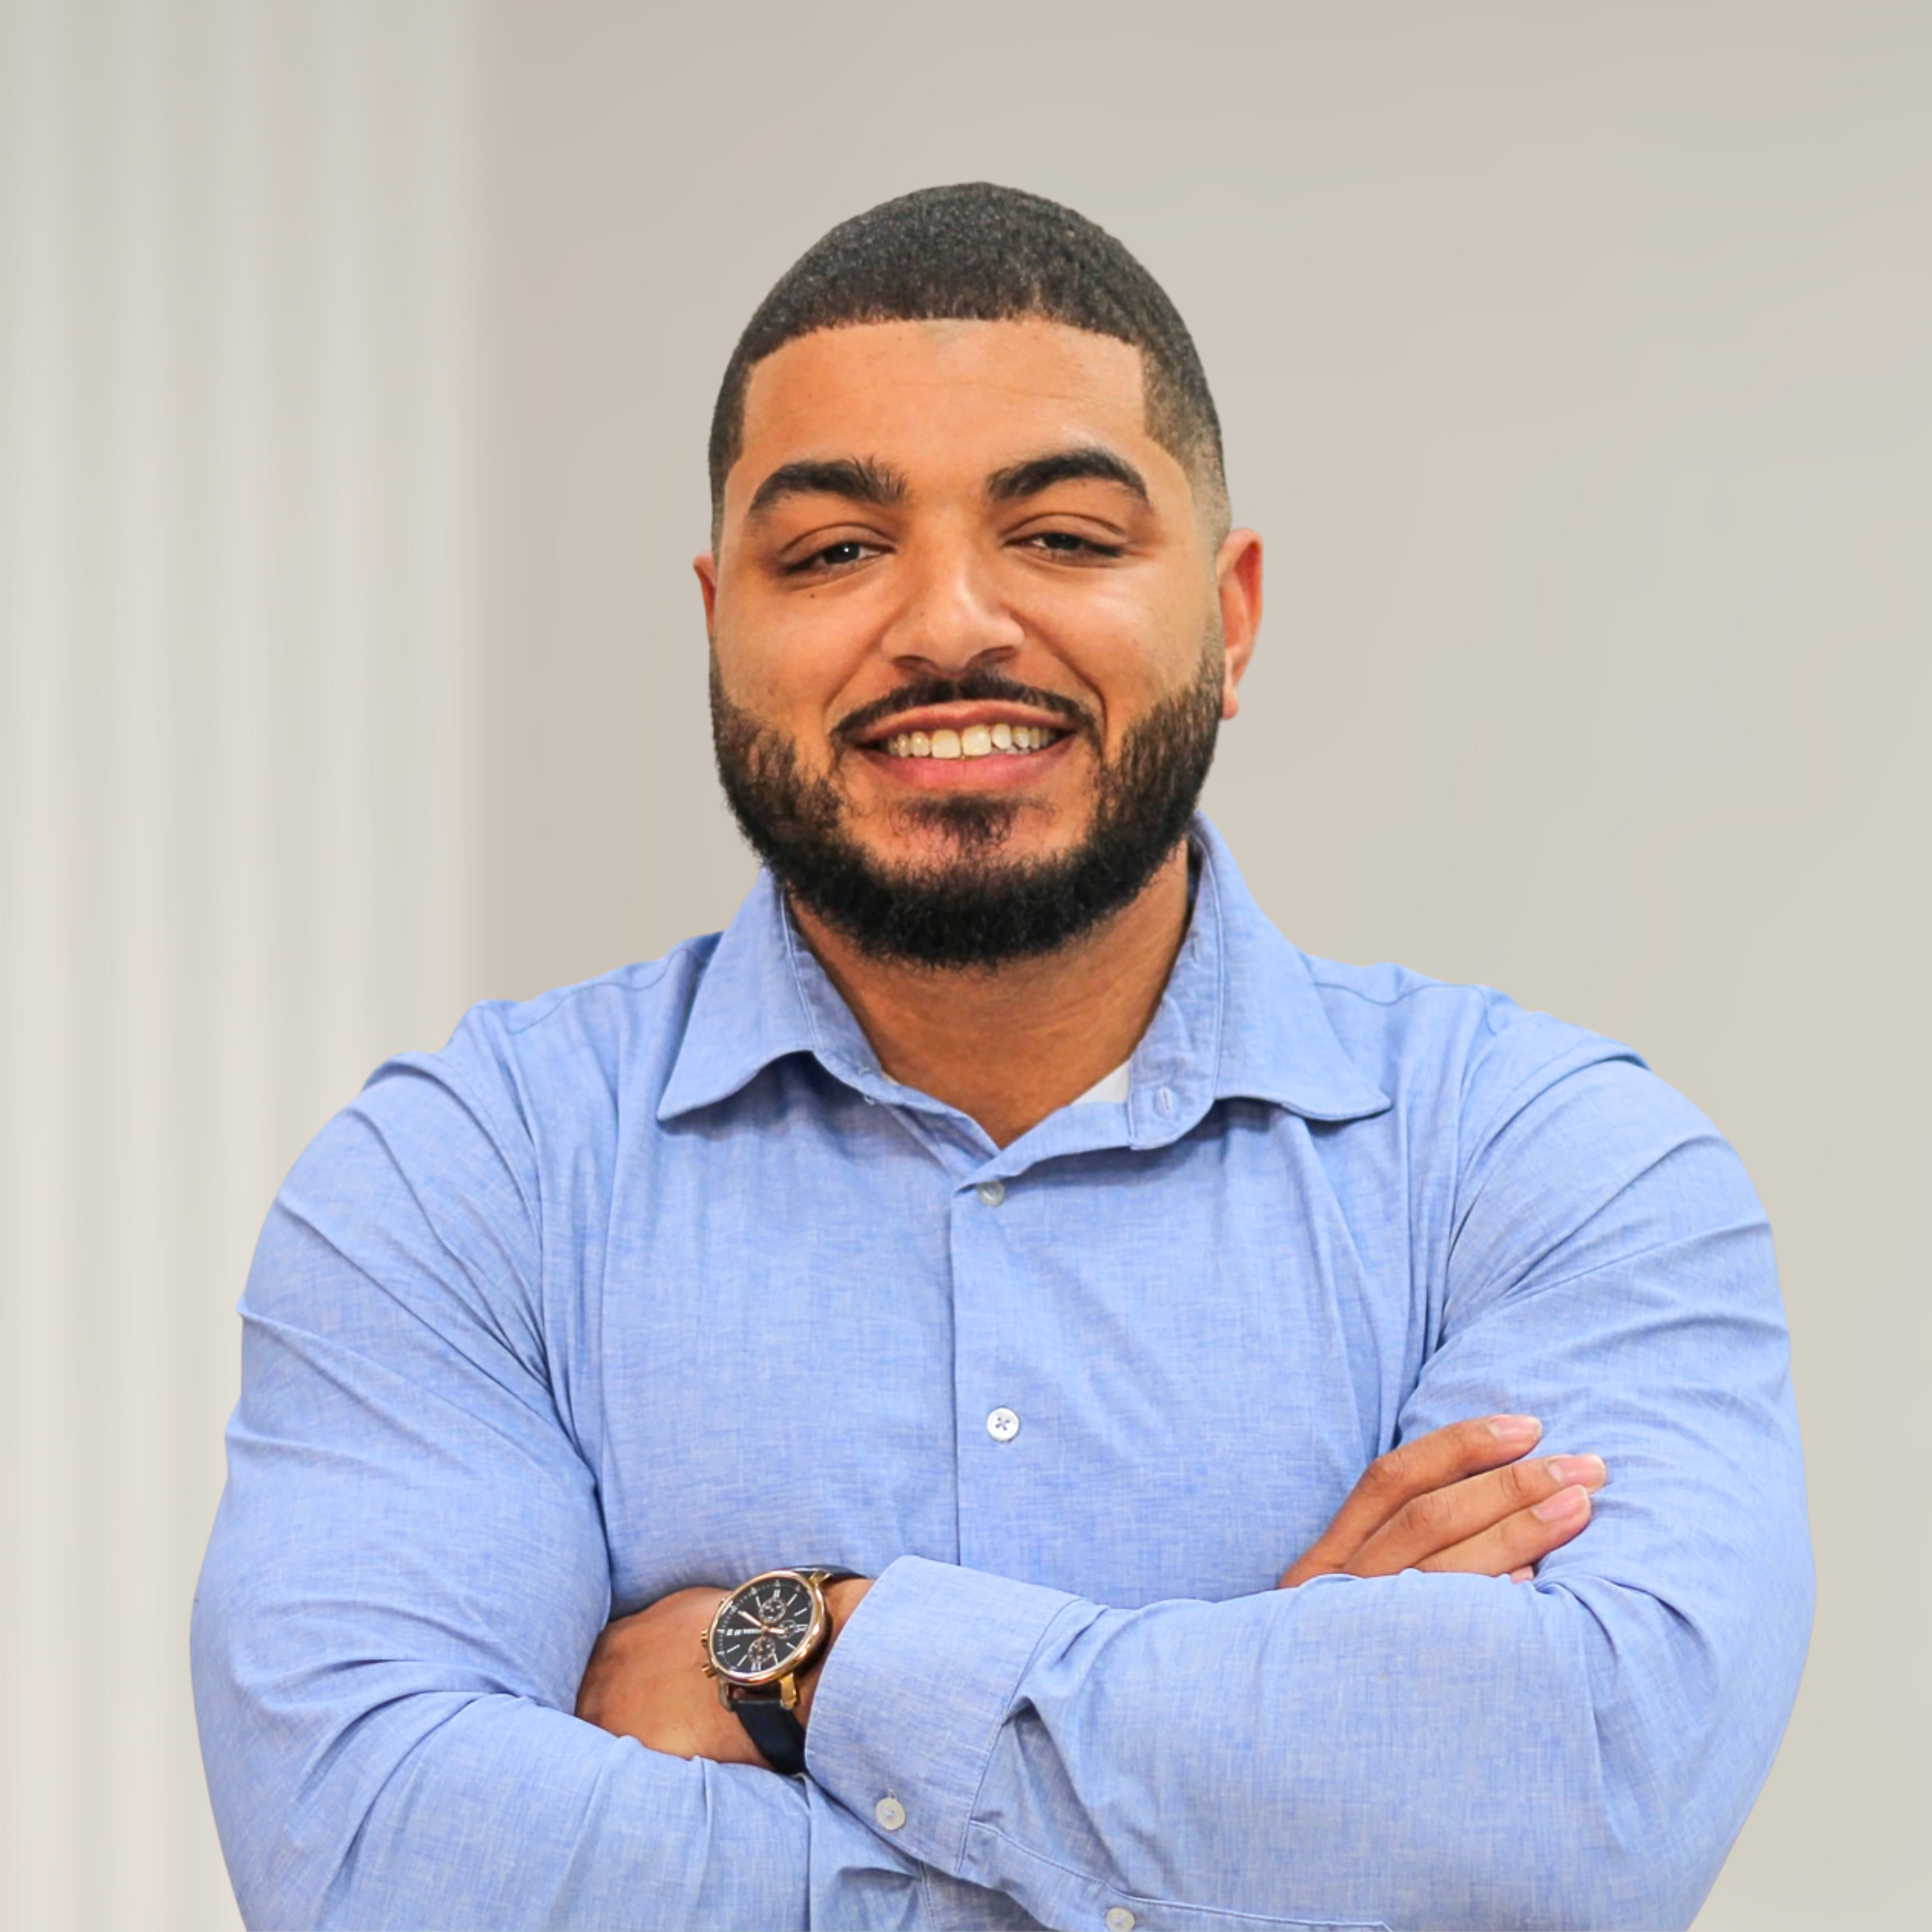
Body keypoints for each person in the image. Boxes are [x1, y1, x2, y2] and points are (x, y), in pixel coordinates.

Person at [191, 183, 1812, 1932]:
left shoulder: (1553, 1169)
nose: (952, 621)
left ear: (1233, 615)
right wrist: (1270, 1777)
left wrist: (805, 1652)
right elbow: (376, 1867)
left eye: (1062, 537)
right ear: (717, 617)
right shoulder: (459, 1186)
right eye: (831, 551)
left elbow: (1577, 1819)